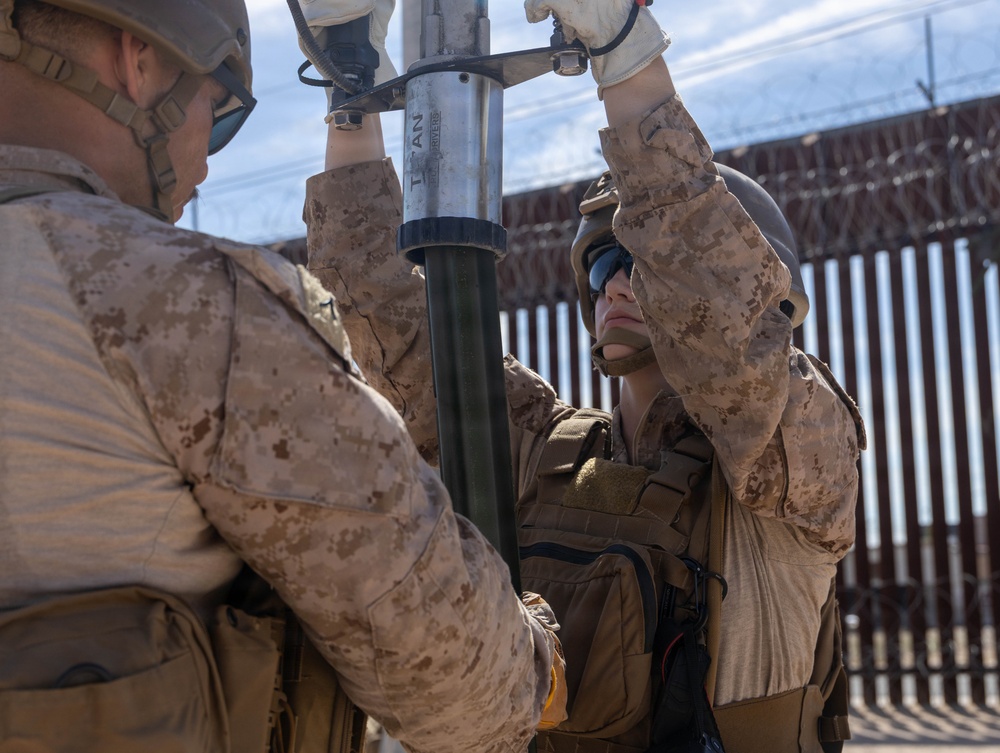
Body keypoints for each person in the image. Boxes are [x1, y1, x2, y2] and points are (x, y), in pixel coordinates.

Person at [0, 1, 567, 751]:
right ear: (139, 64)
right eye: (217, 111)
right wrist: (535, 663)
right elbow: (451, 678)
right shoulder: (181, 303)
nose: (206, 163)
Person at [303, 1, 866, 752]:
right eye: (603, 265)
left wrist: (626, 54)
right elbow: (389, 328)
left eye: (642, 264)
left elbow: (724, 327)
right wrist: (352, 91)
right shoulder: (546, 449)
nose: (618, 284)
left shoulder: (796, 449)